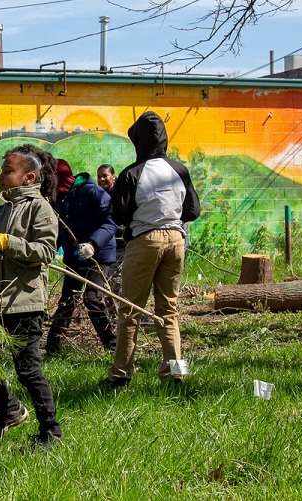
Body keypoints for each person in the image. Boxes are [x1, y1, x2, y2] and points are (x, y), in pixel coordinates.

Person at [0, 144, 62, 451]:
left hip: (25, 302)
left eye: (8, 171)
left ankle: (51, 434)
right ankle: (9, 408)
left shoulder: (40, 210)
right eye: (1, 171)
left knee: (28, 370)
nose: (1, 176)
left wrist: (8, 242)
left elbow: (45, 252)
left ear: (28, 177)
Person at [101, 111, 201, 389]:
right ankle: (176, 374)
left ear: (138, 141)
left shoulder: (132, 173)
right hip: (177, 241)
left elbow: (119, 215)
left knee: (130, 311)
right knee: (169, 310)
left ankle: (120, 376)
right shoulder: (179, 170)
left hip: (145, 241)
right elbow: (193, 210)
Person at [46, 159, 117, 356]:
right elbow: (61, 229)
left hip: (98, 255)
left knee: (92, 299)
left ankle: (112, 345)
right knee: (67, 300)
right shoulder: (58, 199)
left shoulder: (93, 192)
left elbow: (110, 224)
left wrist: (93, 244)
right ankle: (52, 347)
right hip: (74, 256)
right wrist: (51, 249)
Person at [97, 163, 127, 323]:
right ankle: (113, 316)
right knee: (105, 283)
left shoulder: (118, 195)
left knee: (116, 281)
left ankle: (122, 316)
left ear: (113, 176)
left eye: (105, 176)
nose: (102, 179)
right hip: (105, 247)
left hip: (120, 245)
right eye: (99, 176)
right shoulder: (98, 195)